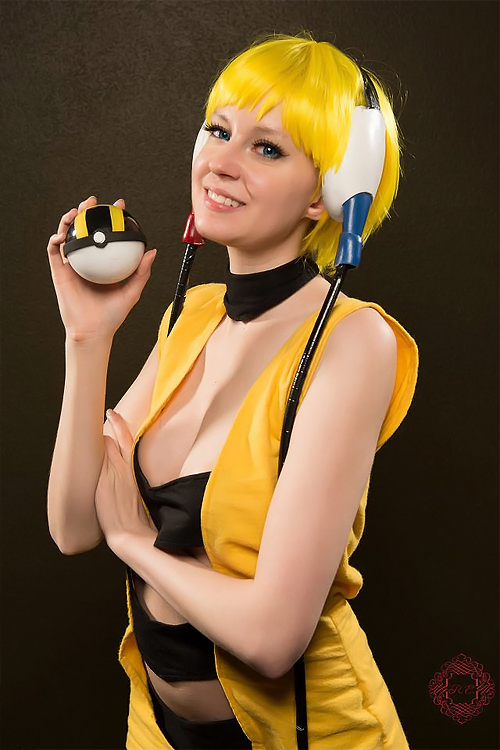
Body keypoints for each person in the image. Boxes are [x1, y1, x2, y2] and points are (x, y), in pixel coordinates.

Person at [47, 33, 418, 750]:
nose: (219, 161)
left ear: (331, 194)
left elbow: (273, 638)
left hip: (312, 737)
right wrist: (86, 341)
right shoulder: (190, 316)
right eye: (218, 130)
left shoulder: (352, 342)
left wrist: (136, 541)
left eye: (267, 148)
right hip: (159, 732)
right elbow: (72, 527)